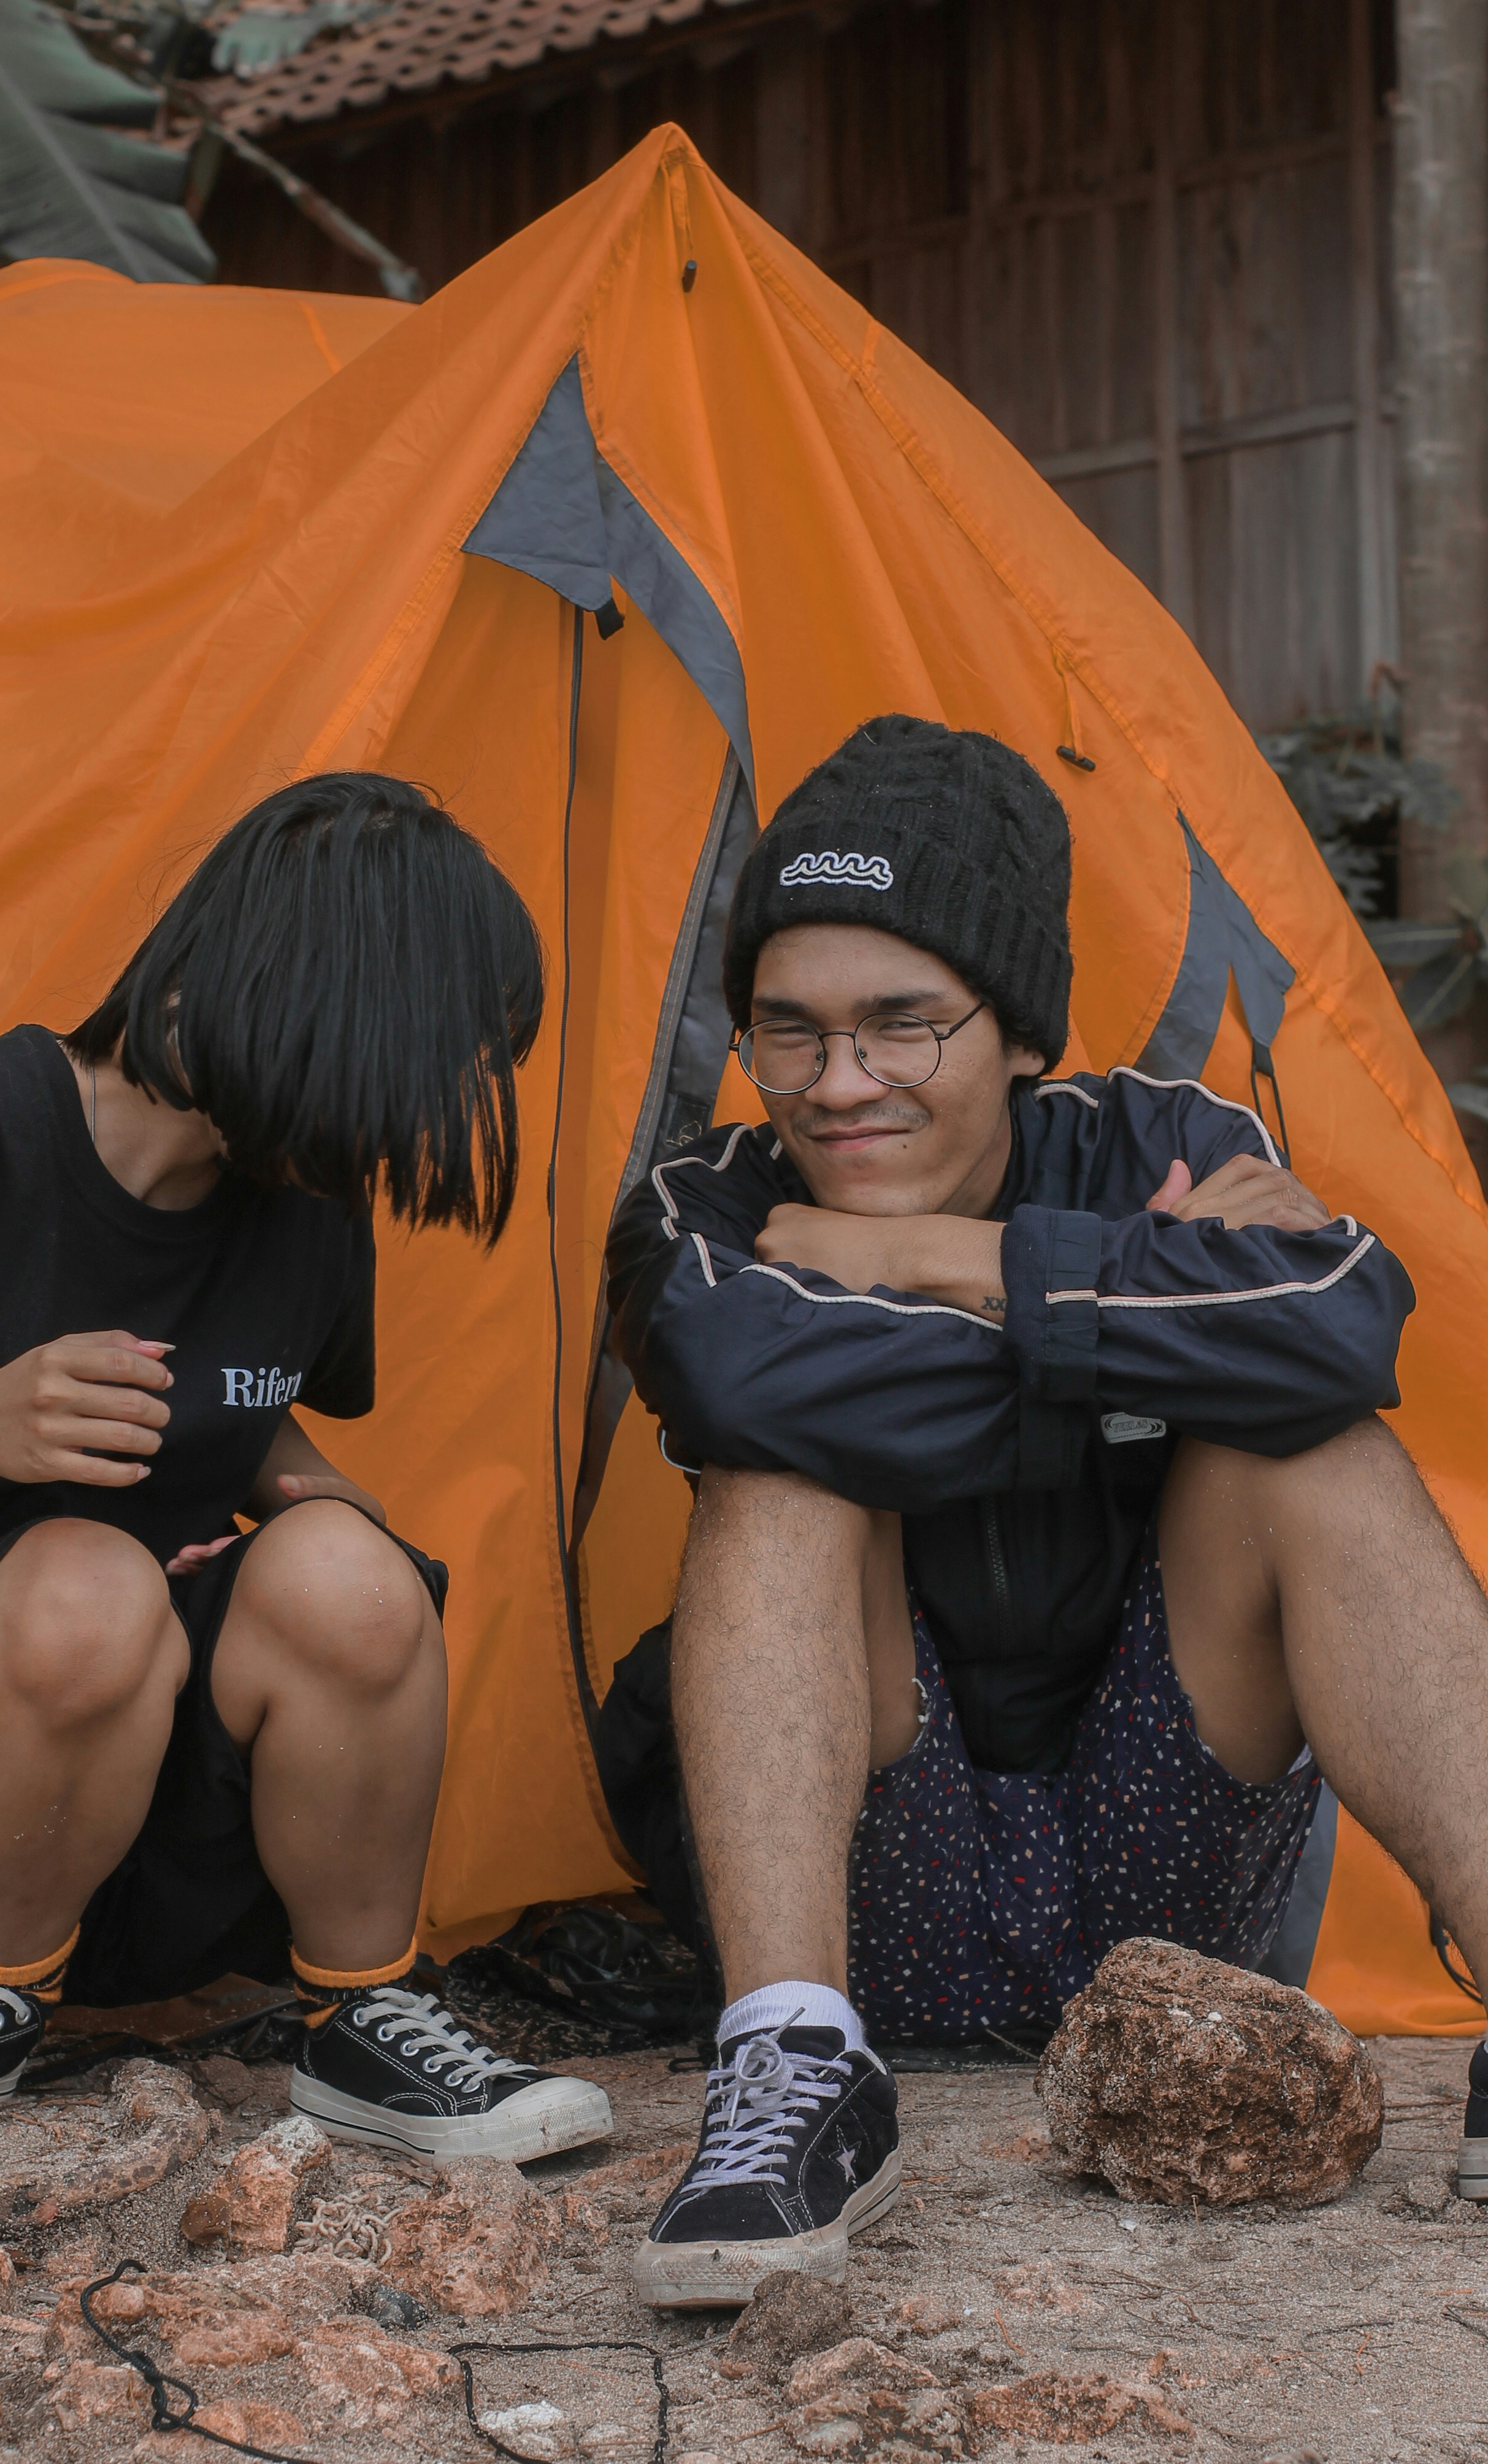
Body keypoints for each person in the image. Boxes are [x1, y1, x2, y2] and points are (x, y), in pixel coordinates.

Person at [602, 712, 1488, 2308]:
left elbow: (1347, 1330)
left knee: (1312, 1448)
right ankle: (795, 2076)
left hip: (1173, 1864)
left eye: (900, 1027)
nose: (839, 1084)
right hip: (891, 1861)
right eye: (788, 1031)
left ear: (1019, 1032)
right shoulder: (709, 1201)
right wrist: (1153, 1311)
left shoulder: (1168, 1139)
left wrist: (928, 1266)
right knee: (782, 1470)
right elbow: (737, 1384)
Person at [0, 771, 611, 2163]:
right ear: (327, 1007)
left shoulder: (302, 1208)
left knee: (350, 1575)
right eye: (433, 1063)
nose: (423, 1115)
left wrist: (309, 1507)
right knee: (87, 1574)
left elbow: (250, 1408)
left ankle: (358, 2021)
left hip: (158, 1834)